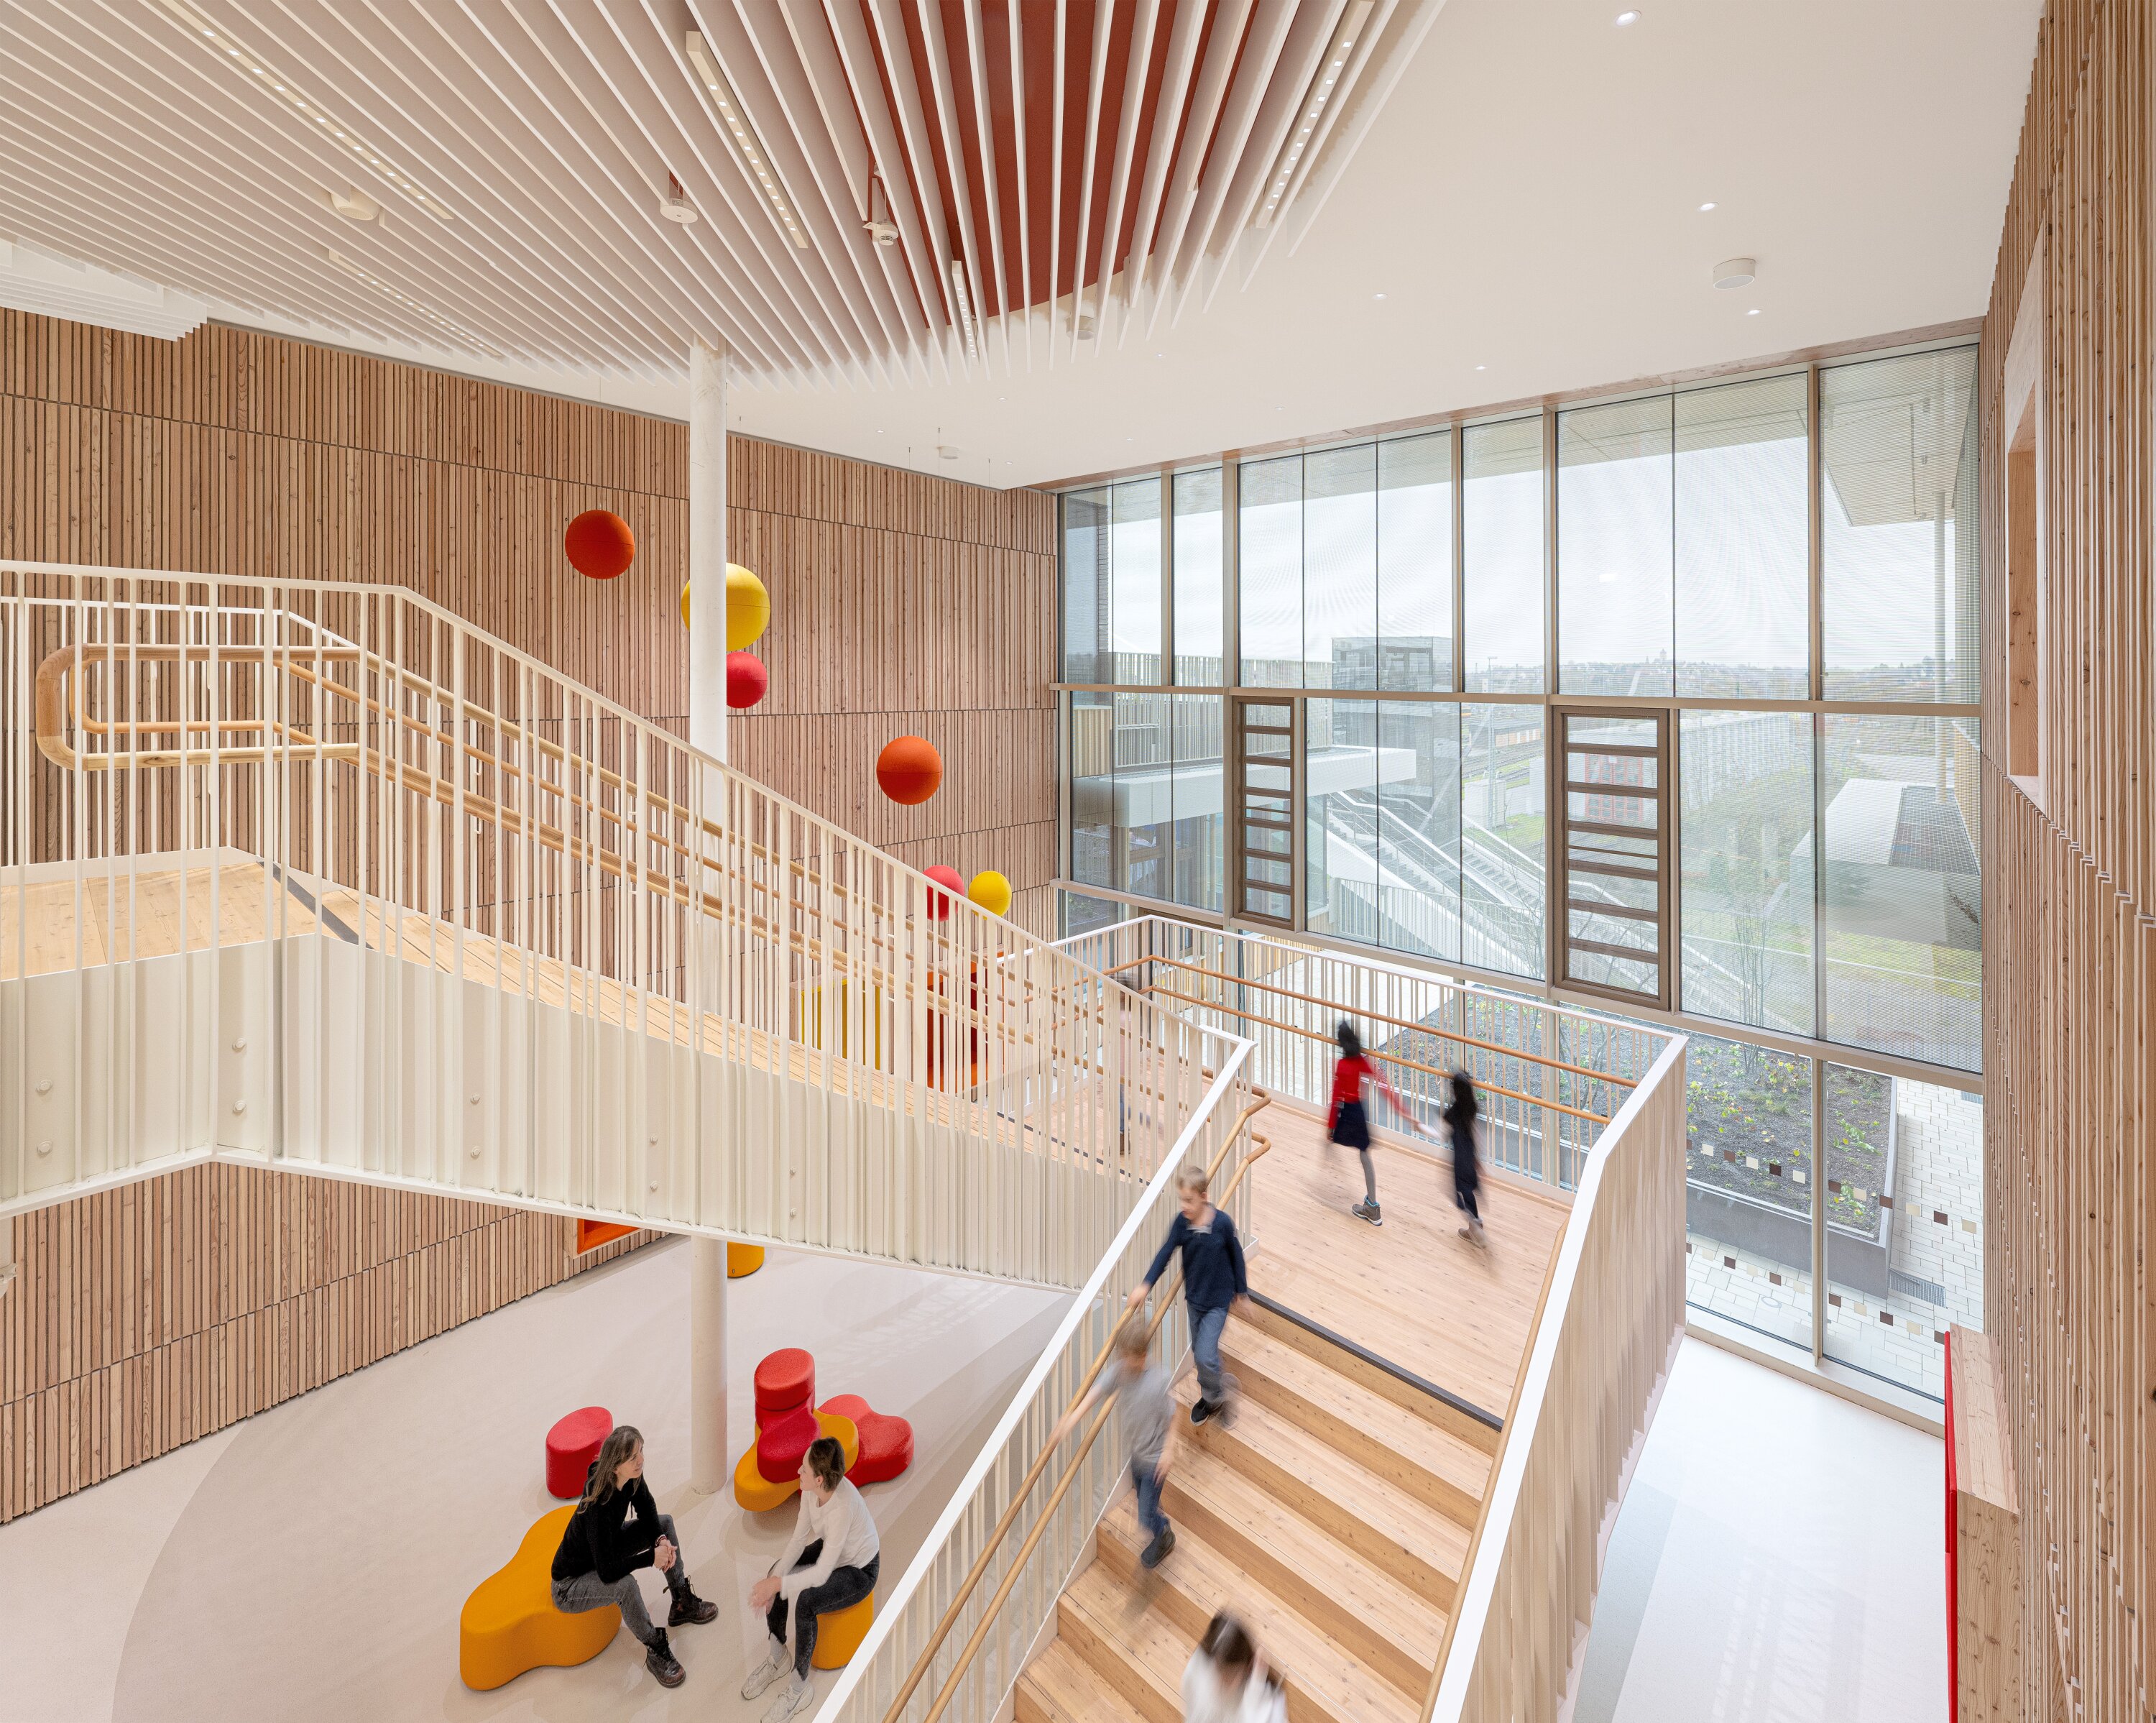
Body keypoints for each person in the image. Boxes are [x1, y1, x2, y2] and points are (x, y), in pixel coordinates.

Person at [550, 1425, 717, 1690]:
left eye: (641, 1452)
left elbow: (647, 1508)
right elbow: (607, 1571)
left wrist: (660, 1541)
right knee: (626, 1586)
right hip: (570, 1584)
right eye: (633, 1457)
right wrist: (651, 1557)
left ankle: (681, 1602)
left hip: (606, 1549)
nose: (641, 1460)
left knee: (664, 1524)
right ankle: (655, 1648)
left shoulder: (631, 1477)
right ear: (616, 1466)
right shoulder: (597, 1504)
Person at [742, 1436, 882, 1720]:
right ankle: (778, 1657)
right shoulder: (810, 1491)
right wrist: (776, 1579)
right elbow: (797, 1540)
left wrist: (778, 1584)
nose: (798, 1472)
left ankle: (799, 1688)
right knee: (777, 1569)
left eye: (803, 1469)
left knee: (806, 1601)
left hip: (859, 1568)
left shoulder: (842, 1508)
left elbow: (821, 1574)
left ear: (820, 1480)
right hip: (835, 1548)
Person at [1126, 1165, 1248, 1428]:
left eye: (1189, 1200)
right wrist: (1146, 1285)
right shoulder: (1182, 1224)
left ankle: (1219, 1396)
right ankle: (1212, 1393)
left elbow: (1237, 1256)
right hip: (1195, 1300)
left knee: (1204, 1356)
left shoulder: (1222, 1224)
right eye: (1182, 1199)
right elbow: (1165, 1253)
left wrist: (1242, 1291)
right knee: (1200, 1352)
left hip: (1218, 1301)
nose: (1184, 1205)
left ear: (1204, 1196)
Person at [1051, 1320, 1179, 1568]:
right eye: (1121, 1357)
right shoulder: (1121, 1371)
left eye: (1127, 1359)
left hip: (1155, 1459)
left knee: (1145, 1516)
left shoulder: (1158, 1380)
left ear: (1142, 1357)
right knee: (1143, 1496)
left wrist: (1168, 1451)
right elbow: (1096, 1393)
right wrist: (1070, 1421)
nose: (1122, 1364)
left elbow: (1173, 1416)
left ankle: (1164, 1533)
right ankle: (1152, 1507)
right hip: (1137, 1455)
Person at [1328, 1020, 1432, 1226]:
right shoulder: (1362, 1061)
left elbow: (1335, 1099)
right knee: (1364, 1154)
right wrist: (1406, 1114)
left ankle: (1373, 1206)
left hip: (1347, 1113)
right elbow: (1386, 1089)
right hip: (1358, 1111)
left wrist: (1330, 1126)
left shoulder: (1341, 1065)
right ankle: (1371, 1205)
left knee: (1355, 1152)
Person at [1182, 1611, 1288, 1723]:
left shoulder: (1266, 1699)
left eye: (1231, 1675)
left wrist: (1256, 1686)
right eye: (1218, 1670)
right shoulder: (1197, 1669)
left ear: (1247, 1668)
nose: (1220, 1682)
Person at [1444, 1067, 1487, 1247]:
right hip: (1470, 1158)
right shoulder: (1472, 1108)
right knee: (1469, 1193)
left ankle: (1475, 1228)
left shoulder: (1452, 1113)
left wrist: (1418, 1127)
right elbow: (1477, 1135)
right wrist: (1479, 1159)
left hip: (1460, 1161)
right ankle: (1475, 1224)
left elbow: (1438, 1133)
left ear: (1454, 1091)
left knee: (1458, 1194)